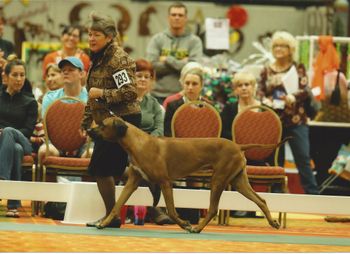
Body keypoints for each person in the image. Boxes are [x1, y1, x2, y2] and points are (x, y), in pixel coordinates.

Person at [80, 11, 141, 228]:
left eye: (97, 34)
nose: (91, 38)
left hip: (123, 121)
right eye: (89, 34)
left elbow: (130, 93)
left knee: (101, 169)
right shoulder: (96, 58)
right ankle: (144, 175)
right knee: (107, 168)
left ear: (109, 37)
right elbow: (91, 93)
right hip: (107, 122)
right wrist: (85, 121)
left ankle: (112, 216)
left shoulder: (118, 60)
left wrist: (103, 93)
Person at [258, 31, 319, 194]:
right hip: (274, 122)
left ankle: (313, 195)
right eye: (276, 45)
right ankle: (277, 195)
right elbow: (260, 92)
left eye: (283, 45)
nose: (278, 48)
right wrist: (265, 101)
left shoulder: (297, 67)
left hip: (296, 120)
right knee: (276, 161)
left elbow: (305, 89)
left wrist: (293, 95)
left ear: (290, 49)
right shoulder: (266, 70)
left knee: (303, 159)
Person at [132, 58, 173, 225]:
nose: (142, 79)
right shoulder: (125, 101)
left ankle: (153, 207)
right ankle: (154, 209)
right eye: (139, 75)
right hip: (128, 147)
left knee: (153, 163)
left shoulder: (155, 104)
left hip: (149, 148)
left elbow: (159, 129)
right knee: (143, 163)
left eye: (147, 76)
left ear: (151, 81)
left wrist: (147, 143)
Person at [0, 58, 38, 217]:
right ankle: (13, 206)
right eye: (15, 75)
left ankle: (2, 180)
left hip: (25, 142)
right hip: (5, 145)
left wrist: (7, 132)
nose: (19, 79)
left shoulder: (30, 102)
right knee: (15, 149)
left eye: (22, 75)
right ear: (5, 77)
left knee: (9, 132)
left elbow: (28, 130)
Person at [146, 1, 203, 105]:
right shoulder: (157, 39)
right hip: (158, 95)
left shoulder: (195, 41)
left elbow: (194, 69)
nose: (177, 17)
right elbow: (152, 67)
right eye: (174, 15)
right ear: (168, 17)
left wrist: (167, 60)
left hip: (184, 96)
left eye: (180, 15)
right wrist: (183, 64)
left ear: (186, 18)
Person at [39, 56, 89, 163]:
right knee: (44, 151)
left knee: (94, 154)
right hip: (55, 143)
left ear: (82, 74)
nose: (66, 73)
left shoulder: (91, 98)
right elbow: (47, 127)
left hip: (85, 143)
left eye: (71, 70)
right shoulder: (50, 97)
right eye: (63, 70)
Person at [221, 72, 261, 141]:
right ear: (235, 90)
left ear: (253, 87)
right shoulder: (228, 109)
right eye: (240, 85)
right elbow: (223, 132)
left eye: (247, 84)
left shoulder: (265, 109)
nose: (243, 88)